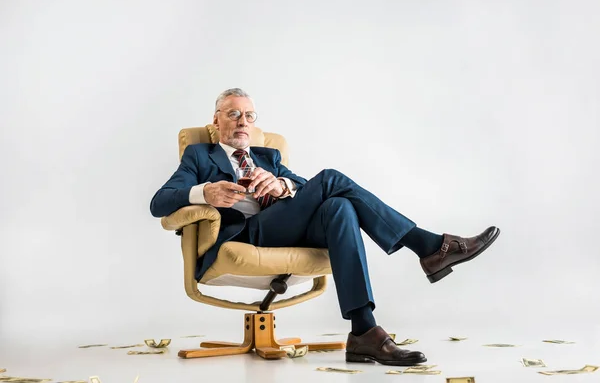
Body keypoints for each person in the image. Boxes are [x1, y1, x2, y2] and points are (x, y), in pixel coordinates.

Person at [150, 88, 500, 366]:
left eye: (249, 115)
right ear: (217, 120)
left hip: (287, 224)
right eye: (234, 114)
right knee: (332, 180)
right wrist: (205, 193)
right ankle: (428, 246)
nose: (243, 121)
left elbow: (304, 187)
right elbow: (159, 202)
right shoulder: (199, 156)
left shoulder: (267, 157)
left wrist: (282, 185)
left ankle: (364, 331)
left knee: (339, 206)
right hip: (248, 232)